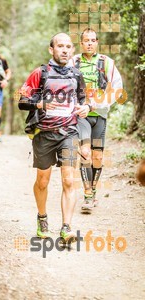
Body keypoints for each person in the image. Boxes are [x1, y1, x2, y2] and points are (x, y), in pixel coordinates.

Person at [18, 33, 90, 242]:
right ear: (52, 49)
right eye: (60, 46)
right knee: (43, 180)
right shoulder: (40, 73)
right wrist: (39, 104)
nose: (65, 50)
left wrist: (85, 108)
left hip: (69, 132)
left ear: (72, 50)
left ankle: (66, 228)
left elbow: (83, 101)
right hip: (44, 134)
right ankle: (42, 218)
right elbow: (21, 100)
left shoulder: (76, 75)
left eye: (68, 46)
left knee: (68, 180)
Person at [71, 28, 123, 212]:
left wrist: (96, 104)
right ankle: (86, 195)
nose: (90, 43)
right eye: (86, 40)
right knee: (85, 152)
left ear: (97, 42)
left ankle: (93, 191)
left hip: (99, 115)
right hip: (81, 117)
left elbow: (117, 89)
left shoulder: (106, 62)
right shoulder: (73, 61)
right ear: (81, 43)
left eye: (93, 40)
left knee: (97, 156)